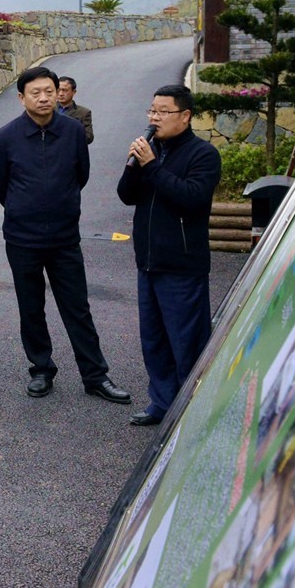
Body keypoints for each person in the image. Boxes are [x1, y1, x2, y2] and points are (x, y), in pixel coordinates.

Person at [0, 67, 131, 404]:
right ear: (22, 97)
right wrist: (24, 207)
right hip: (23, 238)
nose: (43, 97)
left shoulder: (72, 131)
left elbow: (80, 174)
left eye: (49, 91)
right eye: (35, 92)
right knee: (31, 306)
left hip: (65, 237)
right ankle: (41, 369)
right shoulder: (6, 136)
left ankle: (95, 375)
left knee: (77, 307)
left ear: (58, 93)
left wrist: (62, 206)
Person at [117, 85, 222, 426]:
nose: (155, 118)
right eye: (152, 111)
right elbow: (126, 197)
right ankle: (161, 403)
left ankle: (192, 409)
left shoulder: (203, 154)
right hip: (148, 260)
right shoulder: (151, 151)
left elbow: (191, 198)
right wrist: (134, 167)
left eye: (163, 112)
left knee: (186, 340)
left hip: (182, 264)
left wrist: (151, 167)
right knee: (155, 338)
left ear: (186, 116)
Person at [57, 76, 94, 145]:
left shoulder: (83, 113)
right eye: (58, 90)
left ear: (74, 92)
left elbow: (88, 137)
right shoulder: (48, 109)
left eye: (64, 90)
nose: (61, 94)